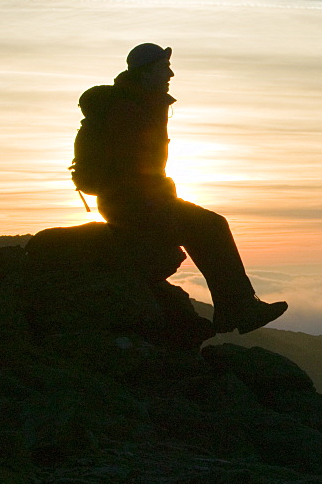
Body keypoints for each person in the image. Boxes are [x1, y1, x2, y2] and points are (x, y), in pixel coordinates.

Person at [71, 42, 287, 334]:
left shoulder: (138, 102)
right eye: (164, 67)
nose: (171, 73)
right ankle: (238, 309)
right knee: (210, 225)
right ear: (147, 72)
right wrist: (158, 196)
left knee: (205, 226)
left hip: (136, 199)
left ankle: (233, 310)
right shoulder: (130, 108)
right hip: (132, 202)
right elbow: (130, 165)